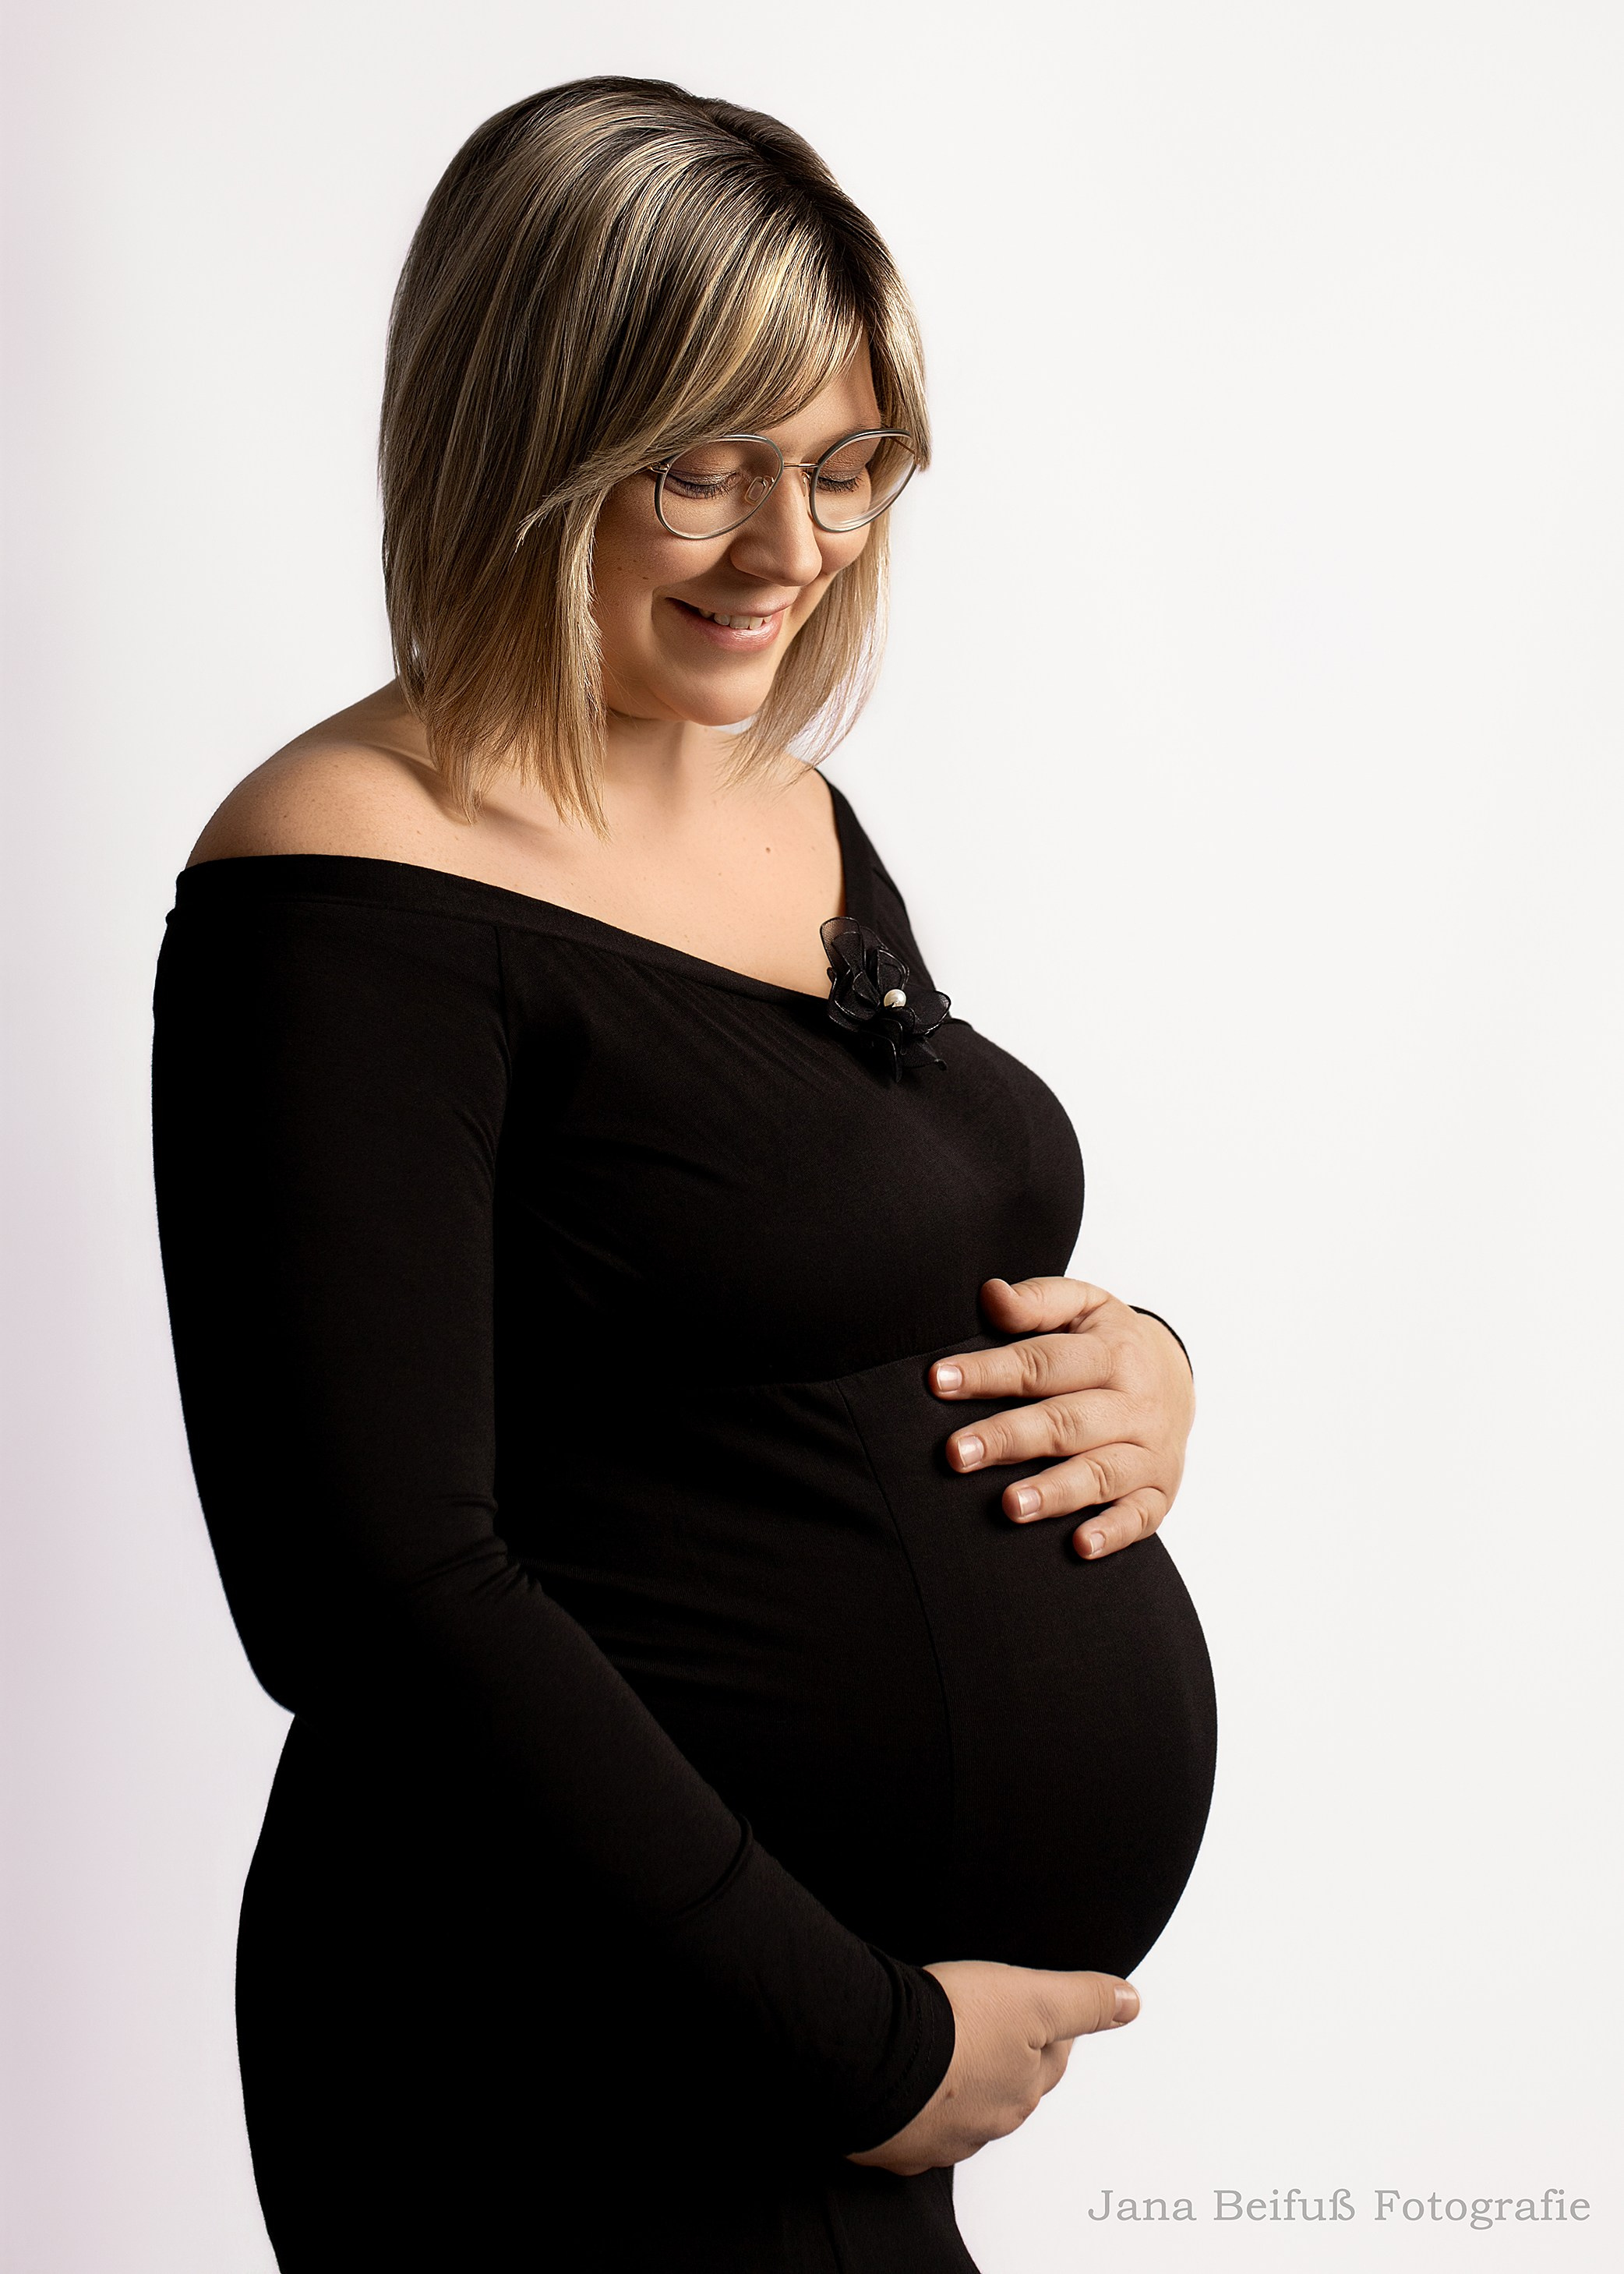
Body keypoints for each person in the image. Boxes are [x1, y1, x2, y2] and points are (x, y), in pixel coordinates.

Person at [150, 76, 1215, 2273]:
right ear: (512, 443)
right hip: (556, 2048)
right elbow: (371, 1590)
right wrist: (854, 2042)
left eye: (842, 472)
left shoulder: (775, 808)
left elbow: (863, 1231)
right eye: (698, 471)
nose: (790, 551)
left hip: (817, 2051)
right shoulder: (340, 901)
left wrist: (1141, 1363)